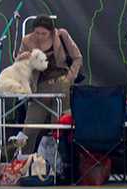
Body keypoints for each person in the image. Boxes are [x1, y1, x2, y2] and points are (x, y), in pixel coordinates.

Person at [18, 15, 82, 153]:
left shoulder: (62, 35)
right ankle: (23, 158)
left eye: (44, 33)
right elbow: (19, 64)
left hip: (61, 84)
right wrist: (22, 58)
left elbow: (77, 58)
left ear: (52, 32)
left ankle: (60, 160)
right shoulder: (27, 41)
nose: (40, 36)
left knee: (59, 126)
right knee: (30, 126)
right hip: (39, 87)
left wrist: (70, 77)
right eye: (37, 33)